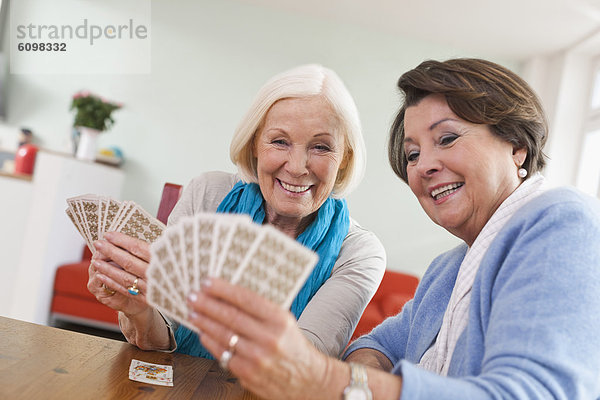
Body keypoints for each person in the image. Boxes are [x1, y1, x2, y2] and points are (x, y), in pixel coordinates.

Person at [184, 58, 600, 399]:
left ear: (517, 146)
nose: (425, 165)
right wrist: (363, 379)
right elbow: (374, 346)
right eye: (413, 153)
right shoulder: (450, 269)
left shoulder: (561, 221)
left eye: (448, 138)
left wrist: (335, 381)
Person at [87, 64, 386, 359]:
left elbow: (305, 365)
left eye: (321, 147)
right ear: (254, 143)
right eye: (280, 141)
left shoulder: (360, 252)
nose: (297, 167)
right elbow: (160, 332)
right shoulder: (208, 194)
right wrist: (140, 311)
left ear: (345, 157)